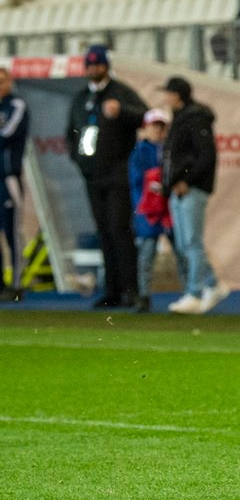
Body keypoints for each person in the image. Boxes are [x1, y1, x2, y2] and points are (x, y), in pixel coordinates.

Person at [66, 45, 147, 308]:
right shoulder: (81, 97)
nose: (93, 70)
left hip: (117, 174)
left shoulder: (121, 93)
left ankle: (131, 290)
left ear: (105, 66)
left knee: (119, 230)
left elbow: (145, 116)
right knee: (104, 232)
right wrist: (79, 161)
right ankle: (112, 291)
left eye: (97, 65)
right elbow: (71, 133)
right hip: (92, 176)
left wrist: (122, 111)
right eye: (89, 65)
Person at [160, 77, 229, 315]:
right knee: (184, 243)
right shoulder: (181, 118)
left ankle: (195, 293)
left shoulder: (195, 118)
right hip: (178, 189)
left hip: (190, 189)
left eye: (168, 93)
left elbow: (206, 155)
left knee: (191, 242)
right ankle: (212, 284)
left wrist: (185, 180)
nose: (165, 98)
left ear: (177, 95)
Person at [129, 108, 181, 314]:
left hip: (167, 209)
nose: (158, 130)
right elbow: (138, 181)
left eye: (161, 126)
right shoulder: (140, 151)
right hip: (149, 211)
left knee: (181, 250)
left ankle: (191, 293)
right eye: (155, 126)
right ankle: (143, 295)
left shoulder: (170, 150)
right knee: (147, 253)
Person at [0, 66, 29, 302]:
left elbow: (7, 133)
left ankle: (17, 283)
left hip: (9, 176)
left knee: (11, 230)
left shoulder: (16, 105)